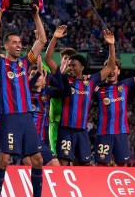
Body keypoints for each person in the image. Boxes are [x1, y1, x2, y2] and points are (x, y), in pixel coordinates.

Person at [0, 5, 53, 197]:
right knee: (4, 159)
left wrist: (35, 15)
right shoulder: (0, 64)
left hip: (26, 118)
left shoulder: (25, 63)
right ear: (6, 46)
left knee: (37, 159)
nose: (18, 45)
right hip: (9, 117)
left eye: (19, 42)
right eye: (14, 42)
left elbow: (42, 40)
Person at [44, 25, 116, 166]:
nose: (70, 68)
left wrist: (111, 45)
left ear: (82, 68)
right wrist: (55, 38)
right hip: (65, 129)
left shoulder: (91, 81)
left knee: (84, 164)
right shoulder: (63, 80)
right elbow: (48, 58)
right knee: (63, 164)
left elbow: (110, 67)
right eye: (69, 65)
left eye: (73, 65)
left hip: (82, 131)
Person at [22, 56, 69, 166]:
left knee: (56, 166)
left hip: (42, 141)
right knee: (31, 170)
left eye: (40, 75)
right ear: (28, 77)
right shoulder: (25, 91)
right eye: (33, 74)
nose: (37, 77)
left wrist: (64, 76)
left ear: (44, 78)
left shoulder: (47, 92)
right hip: (26, 141)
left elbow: (66, 92)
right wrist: (38, 70)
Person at [44, 47, 77, 154]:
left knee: (72, 156)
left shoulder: (79, 79)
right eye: (65, 58)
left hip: (72, 123)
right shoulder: (53, 74)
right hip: (56, 121)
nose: (67, 62)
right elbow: (42, 61)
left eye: (70, 59)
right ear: (61, 60)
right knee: (56, 154)